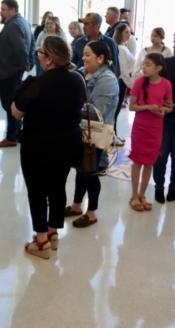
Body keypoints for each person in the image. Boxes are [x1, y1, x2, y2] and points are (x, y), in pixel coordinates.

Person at [12, 36, 85, 259]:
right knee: (57, 186)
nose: (38, 56)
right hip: (69, 143)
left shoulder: (36, 84)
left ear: (49, 59)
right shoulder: (78, 79)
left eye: (40, 53)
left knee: (37, 191)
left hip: (39, 146)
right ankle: (53, 233)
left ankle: (41, 240)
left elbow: (16, 112)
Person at [65, 41, 119, 227]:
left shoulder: (107, 79)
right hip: (81, 131)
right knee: (81, 169)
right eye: (84, 54)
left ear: (101, 58)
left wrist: (68, 107)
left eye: (88, 54)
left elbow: (95, 112)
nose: (83, 58)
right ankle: (76, 205)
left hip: (95, 134)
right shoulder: (82, 71)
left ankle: (92, 212)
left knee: (90, 172)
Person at [129, 53, 172, 211]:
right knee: (137, 162)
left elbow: (169, 106)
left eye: (148, 65)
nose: (144, 67)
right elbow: (131, 106)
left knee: (149, 163)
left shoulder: (166, 84)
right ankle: (134, 195)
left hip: (156, 127)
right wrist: (147, 106)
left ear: (158, 68)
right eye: (144, 64)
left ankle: (142, 195)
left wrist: (164, 110)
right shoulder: (139, 82)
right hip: (141, 126)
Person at [0, 0, 35, 147]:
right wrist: (29, 62)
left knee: (10, 105)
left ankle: (11, 137)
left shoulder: (14, 24)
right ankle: (16, 133)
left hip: (9, 71)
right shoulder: (22, 21)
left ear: (12, 10)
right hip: (11, 69)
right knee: (13, 103)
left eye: (3, 9)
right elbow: (33, 41)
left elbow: (21, 48)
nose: (1, 12)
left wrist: (26, 64)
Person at [153, 53, 175, 203]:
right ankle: (159, 186)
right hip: (164, 117)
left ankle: (173, 187)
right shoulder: (166, 62)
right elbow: (154, 83)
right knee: (161, 155)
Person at [112, 23, 135, 145]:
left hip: (124, 82)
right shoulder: (120, 48)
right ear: (120, 33)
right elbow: (124, 71)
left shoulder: (124, 47)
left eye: (129, 32)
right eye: (126, 32)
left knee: (116, 111)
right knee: (115, 111)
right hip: (121, 81)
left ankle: (114, 134)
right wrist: (133, 87)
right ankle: (112, 136)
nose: (129, 34)